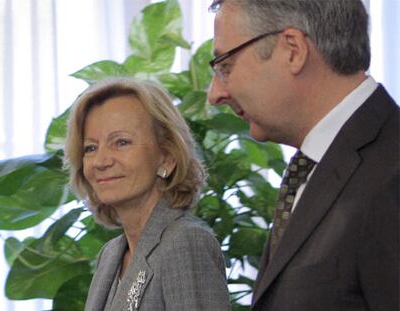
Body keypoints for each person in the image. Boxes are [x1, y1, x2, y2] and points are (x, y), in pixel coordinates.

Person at [207, 0, 399, 310]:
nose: (215, 94)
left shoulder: (391, 173)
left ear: (293, 50)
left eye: (226, 66)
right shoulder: (311, 168)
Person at [64, 77, 231, 311]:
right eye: (90, 148)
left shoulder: (186, 243)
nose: (100, 161)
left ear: (167, 157)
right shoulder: (110, 254)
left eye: (121, 142)